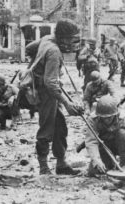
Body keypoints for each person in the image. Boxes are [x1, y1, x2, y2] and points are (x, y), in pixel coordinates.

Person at [32, 19, 84, 175]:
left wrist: (38, 66)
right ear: (62, 38)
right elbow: (50, 84)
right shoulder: (54, 51)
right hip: (46, 93)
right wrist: (67, 104)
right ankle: (43, 167)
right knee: (47, 129)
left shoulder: (47, 38)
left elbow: (29, 48)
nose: (72, 42)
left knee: (60, 127)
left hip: (50, 90)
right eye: (70, 38)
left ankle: (61, 164)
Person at [85, 95, 125, 176]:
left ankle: (123, 163)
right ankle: (110, 163)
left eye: (109, 117)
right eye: (103, 118)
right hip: (105, 146)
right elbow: (91, 141)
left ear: (115, 114)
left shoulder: (124, 117)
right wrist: (96, 160)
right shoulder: (93, 119)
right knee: (94, 172)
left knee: (123, 134)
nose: (106, 120)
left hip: (122, 145)